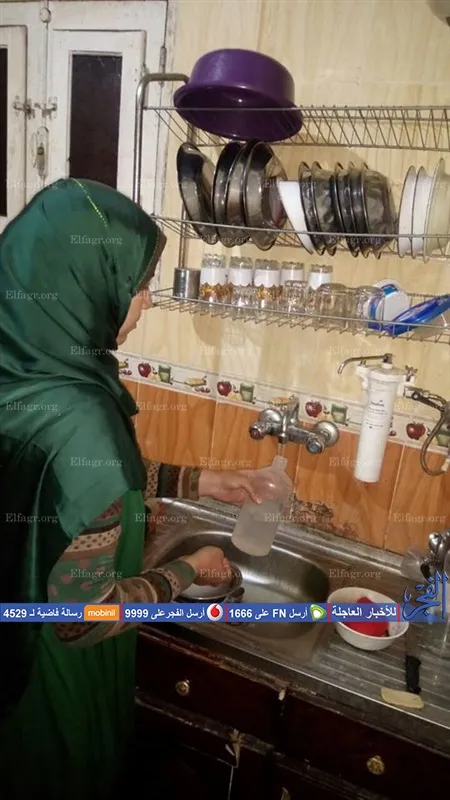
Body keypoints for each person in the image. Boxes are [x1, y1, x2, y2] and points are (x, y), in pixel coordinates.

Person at [0, 178, 260, 799]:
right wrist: (187, 571)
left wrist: (197, 480)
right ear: (85, 283)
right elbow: (82, 621)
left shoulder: (22, 364)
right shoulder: (83, 417)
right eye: (138, 286)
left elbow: (61, 485)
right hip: (52, 682)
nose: (144, 304)